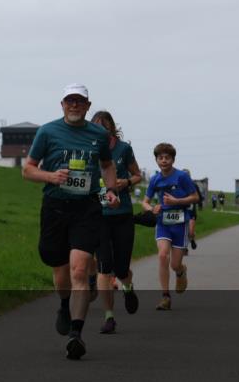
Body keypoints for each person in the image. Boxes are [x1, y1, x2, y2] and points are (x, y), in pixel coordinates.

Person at [23, 84, 119, 360]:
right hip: (54, 206)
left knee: (79, 270)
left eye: (80, 101)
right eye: (70, 101)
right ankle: (64, 304)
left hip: (86, 208)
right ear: (62, 104)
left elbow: (107, 164)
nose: (74, 105)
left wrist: (110, 190)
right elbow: (27, 169)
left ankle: (76, 334)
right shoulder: (48, 131)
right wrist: (51, 177)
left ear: (88, 106)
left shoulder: (98, 135)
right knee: (60, 272)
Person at [90, 111, 142, 334]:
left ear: (112, 127)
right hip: (99, 216)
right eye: (97, 126)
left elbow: (138, 175)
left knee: (121, 269)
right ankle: (109, 316)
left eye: (105, 126)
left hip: (122, 215)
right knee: (104, 267)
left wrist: (126, 182)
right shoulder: (89, 150)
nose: (101, 129)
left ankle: (128, 288)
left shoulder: (123, 149)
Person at [142, 143, 198, 310]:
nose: (164, 161)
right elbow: (145, 202)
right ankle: (165, 296)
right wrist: (152, 209)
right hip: (163, 222)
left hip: (180, 224)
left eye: (167, 157)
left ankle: (181, 271)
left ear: (173, 159)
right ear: (156, 160)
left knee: (174, 264)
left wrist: (177, 202)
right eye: (160, 158)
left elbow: (195, 197)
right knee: (162, 255)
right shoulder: (155, 179)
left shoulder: (182, 177)